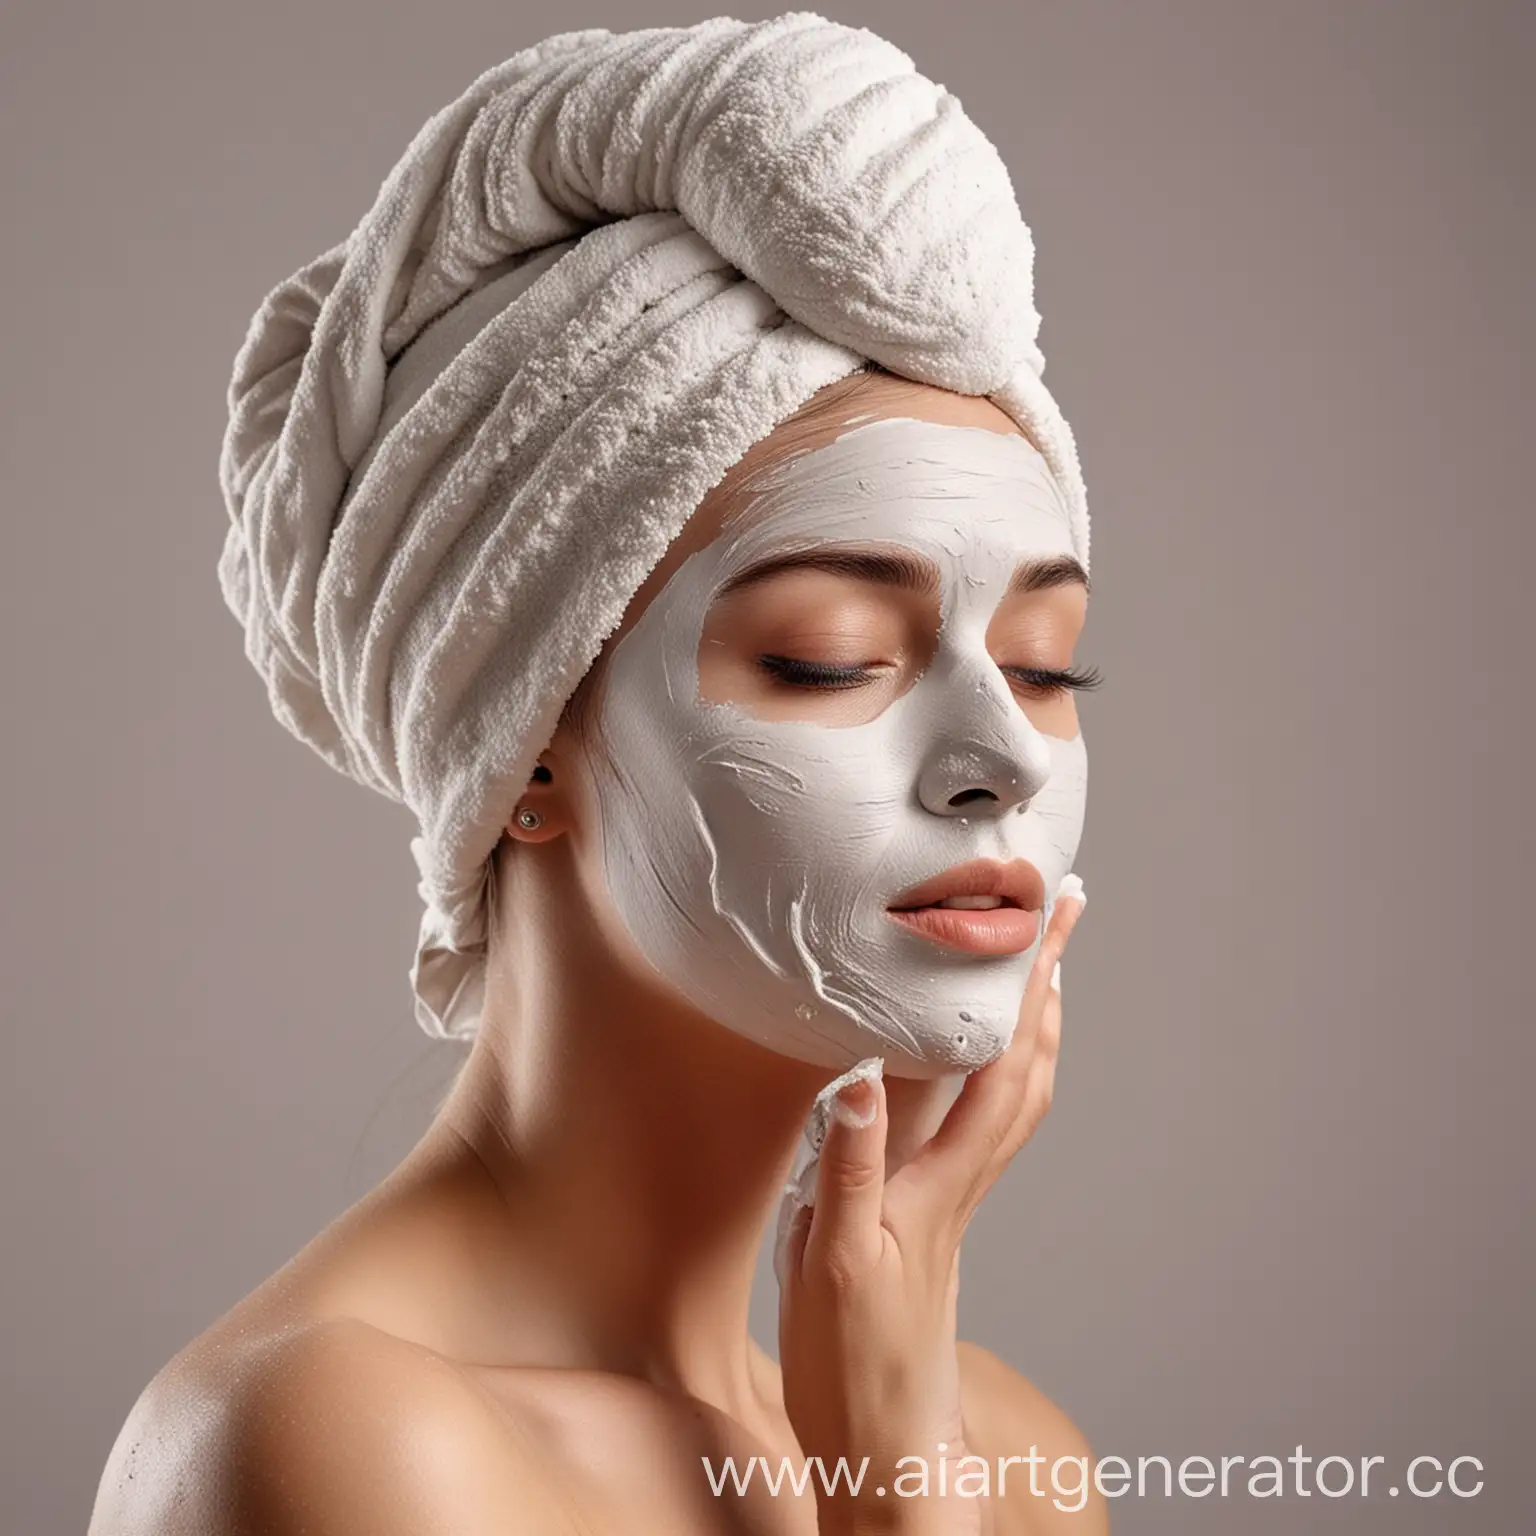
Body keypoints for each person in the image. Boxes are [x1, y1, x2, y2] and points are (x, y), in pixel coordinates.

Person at [91, 17, 1105, 1534]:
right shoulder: (337, 1450)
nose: (1003, 759)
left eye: (1044, 665)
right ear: (524, 748)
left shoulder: (1009, 1457)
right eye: (831, 656)